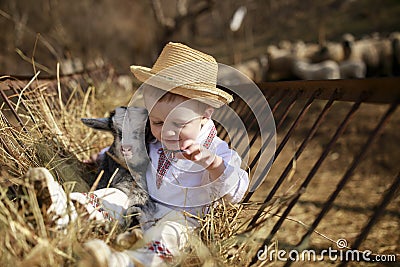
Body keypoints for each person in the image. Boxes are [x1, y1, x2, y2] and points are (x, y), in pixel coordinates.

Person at [31, 42, 250, 266]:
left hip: (182, 218)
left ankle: (123, 261)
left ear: (205, 115)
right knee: (113, 196)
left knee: (170, 233)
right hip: (140, 205)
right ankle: (63, 211)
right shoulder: (153, 136)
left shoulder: (215, 150)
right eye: (158, 122)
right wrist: (102, 155)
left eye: (178, 123)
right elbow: (128, 149)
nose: (167, 131)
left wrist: (213, 164)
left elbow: (237, 189)